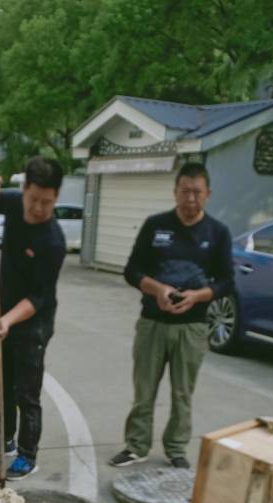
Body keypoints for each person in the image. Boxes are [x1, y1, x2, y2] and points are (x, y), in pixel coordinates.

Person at [110, 162, 234, 470]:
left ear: (208, 194)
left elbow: (226, 282)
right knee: (144, 390)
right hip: (153, 322)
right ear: (175, 192)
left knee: (182, 394)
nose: (191, 199)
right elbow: (132, 271)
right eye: (185, 192)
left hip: (192, 327)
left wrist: (196, 296)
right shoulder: (155, 225)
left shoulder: (217, 233)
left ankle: (177, 448)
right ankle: (136, 445)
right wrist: (158, 290)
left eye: (197, 193)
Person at [0, 156, 66, 480]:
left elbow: (38, 298)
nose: (39, 208)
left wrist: (8, 321)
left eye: (48, 202)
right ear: (24, 189)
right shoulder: (11, 202)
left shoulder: (53, 241)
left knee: (26, 391)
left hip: (33, 320)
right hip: (4, 311)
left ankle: (27, 454)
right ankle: (4, 438)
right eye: (34, 199)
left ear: (56, 197)